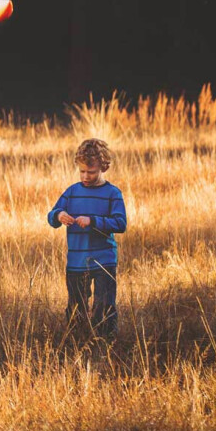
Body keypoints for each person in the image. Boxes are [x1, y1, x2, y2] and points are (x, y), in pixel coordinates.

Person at [47, 138, 127, 339]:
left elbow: (120, 223)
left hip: (104, 261)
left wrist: (93, 221)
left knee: (104, 306)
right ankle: (77, 343)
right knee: (76, 307)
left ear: (103, 167)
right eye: (82, 171)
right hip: (76, 262)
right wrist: (58, 215)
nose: (85, 176)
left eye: (91, 172)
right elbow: (52, 216)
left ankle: (106, 344)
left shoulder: (112, 193)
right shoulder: (72, 192)